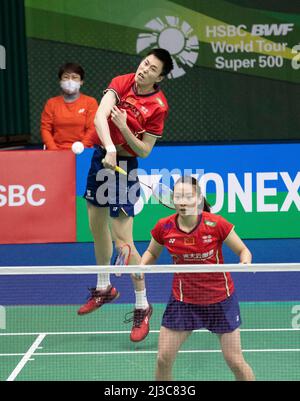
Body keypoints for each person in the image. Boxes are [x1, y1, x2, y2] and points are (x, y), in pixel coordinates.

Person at [77, 49, 174, 343]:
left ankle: (142, 305)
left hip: (125, 167)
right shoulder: (122, 82)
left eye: (152, 68)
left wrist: (123, 130)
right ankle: (104, 286)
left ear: (160, 77)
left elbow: (144, 150)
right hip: (101, 159)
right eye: (145, 63)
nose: (144, 69)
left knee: (124, 242)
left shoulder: (158, 106)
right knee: (96, 228)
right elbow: (99, 117)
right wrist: (108, 146)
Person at [141, 176, 255, 381]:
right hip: (184, 301)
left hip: (220, 299)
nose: (182, 201)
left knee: (235, 361)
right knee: (163, 359)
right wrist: (140, 267)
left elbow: (243, 250)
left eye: (188, 196)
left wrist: (245, 262)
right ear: (171, 199)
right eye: (178, 197)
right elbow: (152, 253)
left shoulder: (215, 224)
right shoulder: (164, 227)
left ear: (199, 198)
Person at [41, 62, 98, 150]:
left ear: (81, 82)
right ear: (60, 81)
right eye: (66, 77)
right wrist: (53, 150)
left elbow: (92, 129)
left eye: (75, 77)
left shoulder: (90, 102)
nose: (70, 81)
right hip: (56, 152)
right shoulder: (51, 103)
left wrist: (82, 147)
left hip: (83, 150)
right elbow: (45, 129)